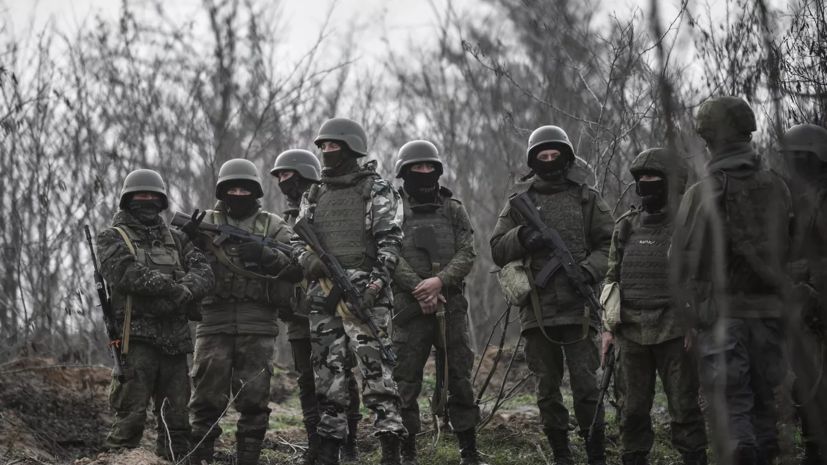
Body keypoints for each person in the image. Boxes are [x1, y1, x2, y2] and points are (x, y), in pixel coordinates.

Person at [671, 96, 793, 465]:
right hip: (770, 314)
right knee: (765, 401)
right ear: (748, 132)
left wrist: (691, 315)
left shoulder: (702, 192)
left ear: (707, 139)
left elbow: (680, 261)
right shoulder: (778, 186)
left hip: (723, 318)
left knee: (732, 406)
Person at [490, 125, 613, 465]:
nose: (548, 160)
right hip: (537, 310)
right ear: (533, 161)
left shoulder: (587, 198)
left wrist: (588, 270)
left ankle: (596, 452)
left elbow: (611, 244)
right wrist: (523, 237)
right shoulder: (519, 203)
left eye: (554, 154)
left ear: (566, 158)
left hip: (579, 308)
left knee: (587, 386)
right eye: (541, 156)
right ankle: (561, 453)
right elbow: (497, 248)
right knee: (546, 388)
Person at [292, 117, 406, 465]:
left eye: (333, 146)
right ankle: (329, 450)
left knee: (377, 375)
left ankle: (390, 450)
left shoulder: (376, 189)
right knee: (328, 376)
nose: (327, 151)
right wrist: (311, 262)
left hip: (365, 299)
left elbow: (390, 243)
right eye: (323, 146)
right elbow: (297, 242)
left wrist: (373, 287)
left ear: (351, 148)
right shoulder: (314, 194)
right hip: (323, 298)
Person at [187, 158, 300, 465]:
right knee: (205, 400)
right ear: (223, 191)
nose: (238, 194)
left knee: (254, 399)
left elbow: (297, 265)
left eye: (244, 189)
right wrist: (190, 239)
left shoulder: (273, 225)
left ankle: (248, 459)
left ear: (255, 191)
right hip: (214, 321)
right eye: (232, 189)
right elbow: (182, 263)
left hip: (258, 321)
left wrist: (266, 255)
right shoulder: (205, 222)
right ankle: (200, 458)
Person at [97, 169, 214, 462]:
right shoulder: (112, 237)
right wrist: (175, 289)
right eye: (140, 194)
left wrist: (185, 290)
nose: (147, 199)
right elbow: (126, 274)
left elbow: (205, 272)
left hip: (175, 340)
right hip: (135, 340)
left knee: (177, 424)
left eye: (153, 195)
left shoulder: (178, 239)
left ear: (161, 201)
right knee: (129, 420)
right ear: (128, 199)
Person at [601, 148, 707, 465]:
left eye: (653, 177)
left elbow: (701, 278)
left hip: (674, 328)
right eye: (642, 177)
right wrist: (608, 329)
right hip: (630, 330)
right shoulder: (626, 226)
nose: (646, 183)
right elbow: (612, 278)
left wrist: (694, 323)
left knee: (684, 407)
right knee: (631, 409)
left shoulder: (688, 227)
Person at [389, 140, 486, 465]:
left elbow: (467, 252)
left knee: (459, 377)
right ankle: (408, 452)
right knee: (405, 380)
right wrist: (420, 288)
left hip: (451, 305)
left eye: (429, 167)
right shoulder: (393, 209)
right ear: (404, 172)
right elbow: (388, 253)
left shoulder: (453, 208)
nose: (424, 171)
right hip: (409, 307)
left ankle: (468, 451)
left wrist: (439, 281)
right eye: (417, 167)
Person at [270, 149, 363, 464]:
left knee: (340, 376)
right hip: (299, 314)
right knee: (307, 381)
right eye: (280, 177)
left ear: (305, 176)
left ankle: (348, 444)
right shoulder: (284, 221)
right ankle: (316, 446)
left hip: (332, 306)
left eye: (288, 175)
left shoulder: (325, 208)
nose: (283, 182)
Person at [779, 123, 827, 465]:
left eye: (799, 157)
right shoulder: (790, 196)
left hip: (818, 299)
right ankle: (812, 447)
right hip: (800, 306)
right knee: (805, 380)